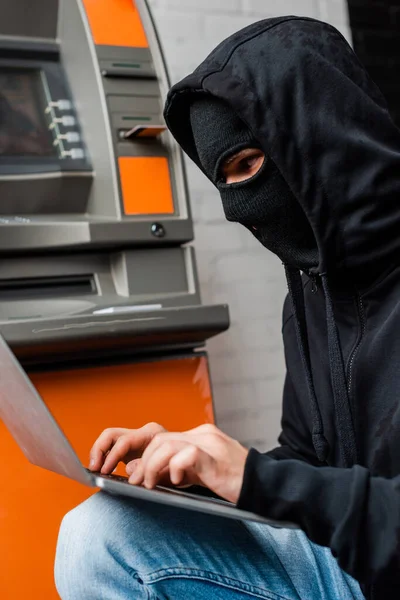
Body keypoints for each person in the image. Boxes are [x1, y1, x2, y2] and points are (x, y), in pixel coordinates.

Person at [54, 16, 400, 600]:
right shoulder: (313, 296)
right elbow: (309, 463)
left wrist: (252, 477)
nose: (239, 206)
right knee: (99, 533)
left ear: (320, 134)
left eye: (248, 164)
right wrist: (197, 478)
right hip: (352, 560)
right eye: (223, 179)